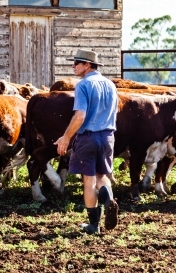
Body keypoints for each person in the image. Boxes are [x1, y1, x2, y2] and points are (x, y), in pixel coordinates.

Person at [54, 49, 119, 234]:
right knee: (102, 175)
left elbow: (80, 116)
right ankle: (109, 200)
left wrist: (66, 138)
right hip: (107, 137)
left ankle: (93, 225)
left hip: (88, 138)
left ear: (87, 65)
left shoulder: (83, 85)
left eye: (76, 63)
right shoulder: (111, 85)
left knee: (89, 180)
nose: (73, 66)